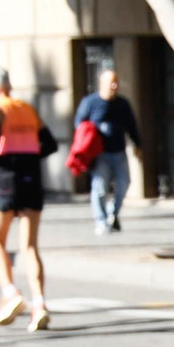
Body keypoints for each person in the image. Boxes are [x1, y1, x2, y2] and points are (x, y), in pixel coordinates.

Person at [0, 67, 50, 331]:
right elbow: (49, 143)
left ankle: (10, 293)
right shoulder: (27, 109)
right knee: (30, 246)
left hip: (5, 177)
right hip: (31, 175)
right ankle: (40, 304)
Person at [73, 69, 141, 235]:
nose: (114, 85)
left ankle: (113, 213)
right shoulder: (90, 102)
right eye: (111, 82)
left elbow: (131, 125)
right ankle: (101, 221)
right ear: (101, 84)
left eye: (116, 82)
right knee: (100, 187)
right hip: (100, 154)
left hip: (119, 151)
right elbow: (79, 124)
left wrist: (138, 144)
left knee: (124, 183)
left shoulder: (122, 104)